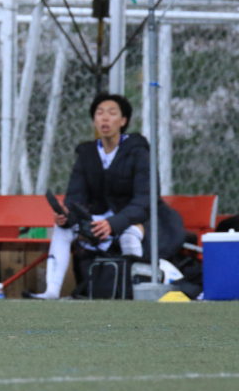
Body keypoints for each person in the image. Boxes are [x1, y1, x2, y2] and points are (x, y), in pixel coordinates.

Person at [24, 93, 185, 299]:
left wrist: (114, 223)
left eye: (111, 113)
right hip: (99, 220)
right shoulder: (87, 154)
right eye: (99, 113)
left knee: (129, 233)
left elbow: (145, 200)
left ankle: (131, 290)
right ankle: (52, 291)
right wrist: (67, 216)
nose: (105, 118)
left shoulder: (138, 151)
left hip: (137, 221)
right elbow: (75, 197)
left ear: (123, 120)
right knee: (62, 229)